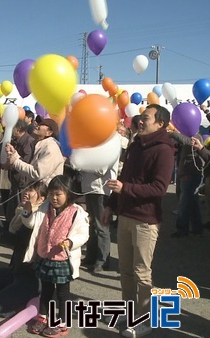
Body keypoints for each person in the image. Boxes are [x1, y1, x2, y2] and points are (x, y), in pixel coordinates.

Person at [102, 104, 175, 338]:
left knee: (142, 272)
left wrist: (126, 189)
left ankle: (146, 319)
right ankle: (129, 310)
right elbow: (123, 178)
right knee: (125, 270)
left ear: (160, 124)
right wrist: (110, 206)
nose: (140, 121)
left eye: (146, 118)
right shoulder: (135, 145)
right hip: (124, 216)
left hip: (145, 220)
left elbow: (159, 188)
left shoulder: (164, 150)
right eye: (140, 118)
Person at [25, 175, 89, 337]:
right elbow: (32, 223)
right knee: (45, 290)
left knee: (62, 293)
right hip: (45, 256)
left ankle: (62, 323)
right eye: (52, 194)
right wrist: (27, 210)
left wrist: (71, 241)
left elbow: (83, 234)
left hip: (63, 260)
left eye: (58, 194)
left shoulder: (76, 212)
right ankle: (43, 318)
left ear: (68, 194)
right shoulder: (44, 207)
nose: (54, 198)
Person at [0, 181, 48, 318]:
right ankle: (14, 294)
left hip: (30, 276)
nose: (26, 192)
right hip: (17, 270)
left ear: (42, 198)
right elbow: (9, 227)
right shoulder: (22, 211)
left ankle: (30, 297)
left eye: (31, 191)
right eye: (25, 189)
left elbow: (16, 240)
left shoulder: (37, 218)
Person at [79, 155, 119, 273]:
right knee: (91, 224)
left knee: (102, 226)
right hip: (89, 188)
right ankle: (91, 256)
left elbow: (101, 169)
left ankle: (103, 260)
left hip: (101, 190)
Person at [4, 118, 64, 187]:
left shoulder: (51, 148)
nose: (37, 125)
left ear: (49, 133)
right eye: (38, 123)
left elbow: (37, 173)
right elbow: (30, 166)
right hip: (35, 192)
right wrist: (14, 154)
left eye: (42, 124)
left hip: (44, 194)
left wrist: (15, 162)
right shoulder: (41, 145)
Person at [169, 131, 205, 238]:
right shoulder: (190, 136)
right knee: (193, 202)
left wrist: (172, 133)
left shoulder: (195, 135)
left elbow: (187, 141)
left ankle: (182, 229)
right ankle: (197, 228)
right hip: (188, 172)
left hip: (191, 173)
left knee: (184, 202)